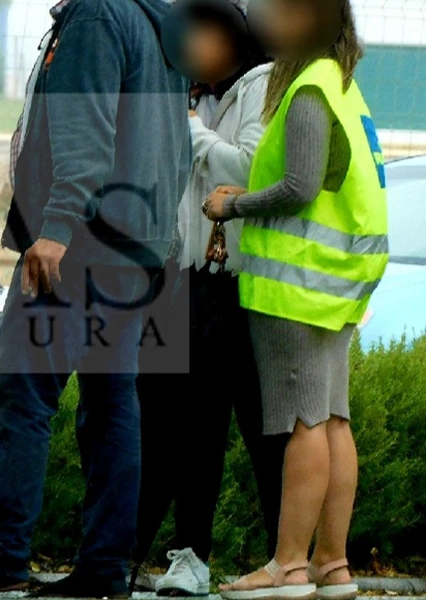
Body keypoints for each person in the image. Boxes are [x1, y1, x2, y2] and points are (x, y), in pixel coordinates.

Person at [0, 0, 190, 597]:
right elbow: (176, 146)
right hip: (134, 244)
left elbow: (84, 130)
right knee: (112, 402)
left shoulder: (96, 16)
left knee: (21, 390)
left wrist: (57, 227)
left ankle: (2, 555)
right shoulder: (155, 19)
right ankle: (104, 568)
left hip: (84, 243)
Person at [203, 0, 388, 598]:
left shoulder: (307, 89)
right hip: (336, 280)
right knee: (333, 419)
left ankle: (287, 567)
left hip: (297, 287)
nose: (261, 20)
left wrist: (233, 205)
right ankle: (332, 566)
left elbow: (299, 188)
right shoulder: (341, 85)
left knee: (304, 423)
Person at [131, 0, 286, 595]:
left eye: (203, 33)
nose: (191, 44)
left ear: (234, 37)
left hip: (245, 286)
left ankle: (287, 560)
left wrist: (188, 130)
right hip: (189, 280)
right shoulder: (195, 95)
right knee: (186, 427)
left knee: (263, 431)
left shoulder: (263, 85)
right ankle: (183, 556)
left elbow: (246, 169)